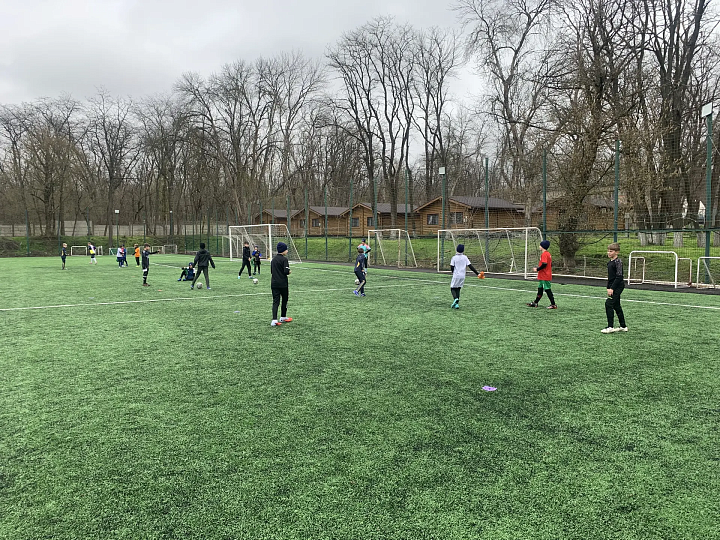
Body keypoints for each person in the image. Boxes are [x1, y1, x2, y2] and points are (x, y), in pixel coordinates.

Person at [602, 242, 628, 333]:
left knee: (608, 303)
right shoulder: (610, 262)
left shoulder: (618, 262)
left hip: (618, 286)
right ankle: (623, 326)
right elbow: (610, 277)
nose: (609, 253)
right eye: (608, 251)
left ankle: (610, 327)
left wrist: (612, 288)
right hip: (612, 286)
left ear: (617, 252)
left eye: (611, 251)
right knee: (616, 306)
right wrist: (608, 287)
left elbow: (619, 277)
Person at [526, 239, 557, 309]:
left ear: (543, 246)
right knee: (540, 289)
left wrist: (537, 269)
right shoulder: (548, 254)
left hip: (544, 276)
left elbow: (544, 264)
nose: (539, 246)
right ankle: (535, 302)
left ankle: (553, 304)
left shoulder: (544, 254)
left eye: (540, 245)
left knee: (547, 289)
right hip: (543, 275)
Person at [449, 244, 482, 309]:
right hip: (463, 276)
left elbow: (452, 267)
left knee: (452, 288)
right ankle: (456, 304)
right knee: (458, 288)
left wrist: (453, 272)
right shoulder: (465, 257)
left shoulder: (454, 258)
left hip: (456, 275)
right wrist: (477, 274)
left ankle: (455, 298)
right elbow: (470, 266)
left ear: (457, 249)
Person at [270, 242, 292, 326]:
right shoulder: (284, 259)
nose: (287, 251)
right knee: (284, 300)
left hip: (274, 283)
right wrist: (289, 271)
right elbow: (286, 271)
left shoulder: (273, 260)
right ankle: (283, 316)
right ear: (283, 250)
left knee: (276, 301)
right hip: (283, 284)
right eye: (286, 249)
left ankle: (274, 319)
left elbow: (272, 271)